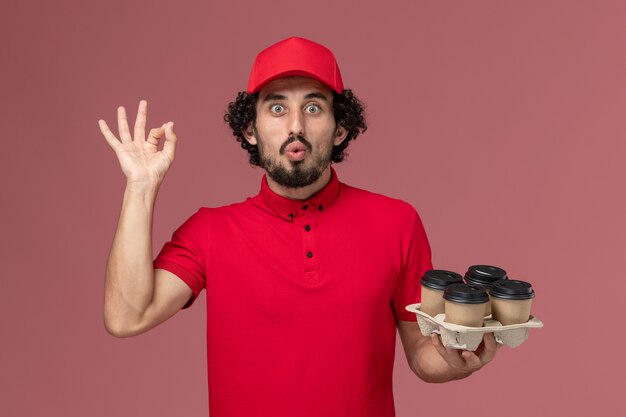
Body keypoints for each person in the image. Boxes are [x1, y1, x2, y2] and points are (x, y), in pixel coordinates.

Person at [98, 37, 499, 417]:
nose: (296, 126)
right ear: (250, 130)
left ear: (339, 128)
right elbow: (127, 317)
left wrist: (456, 358)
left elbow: (421, 354)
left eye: (312, 108)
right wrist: (141, 186)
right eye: (276, 108)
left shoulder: (397, 222)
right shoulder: (209, 231)